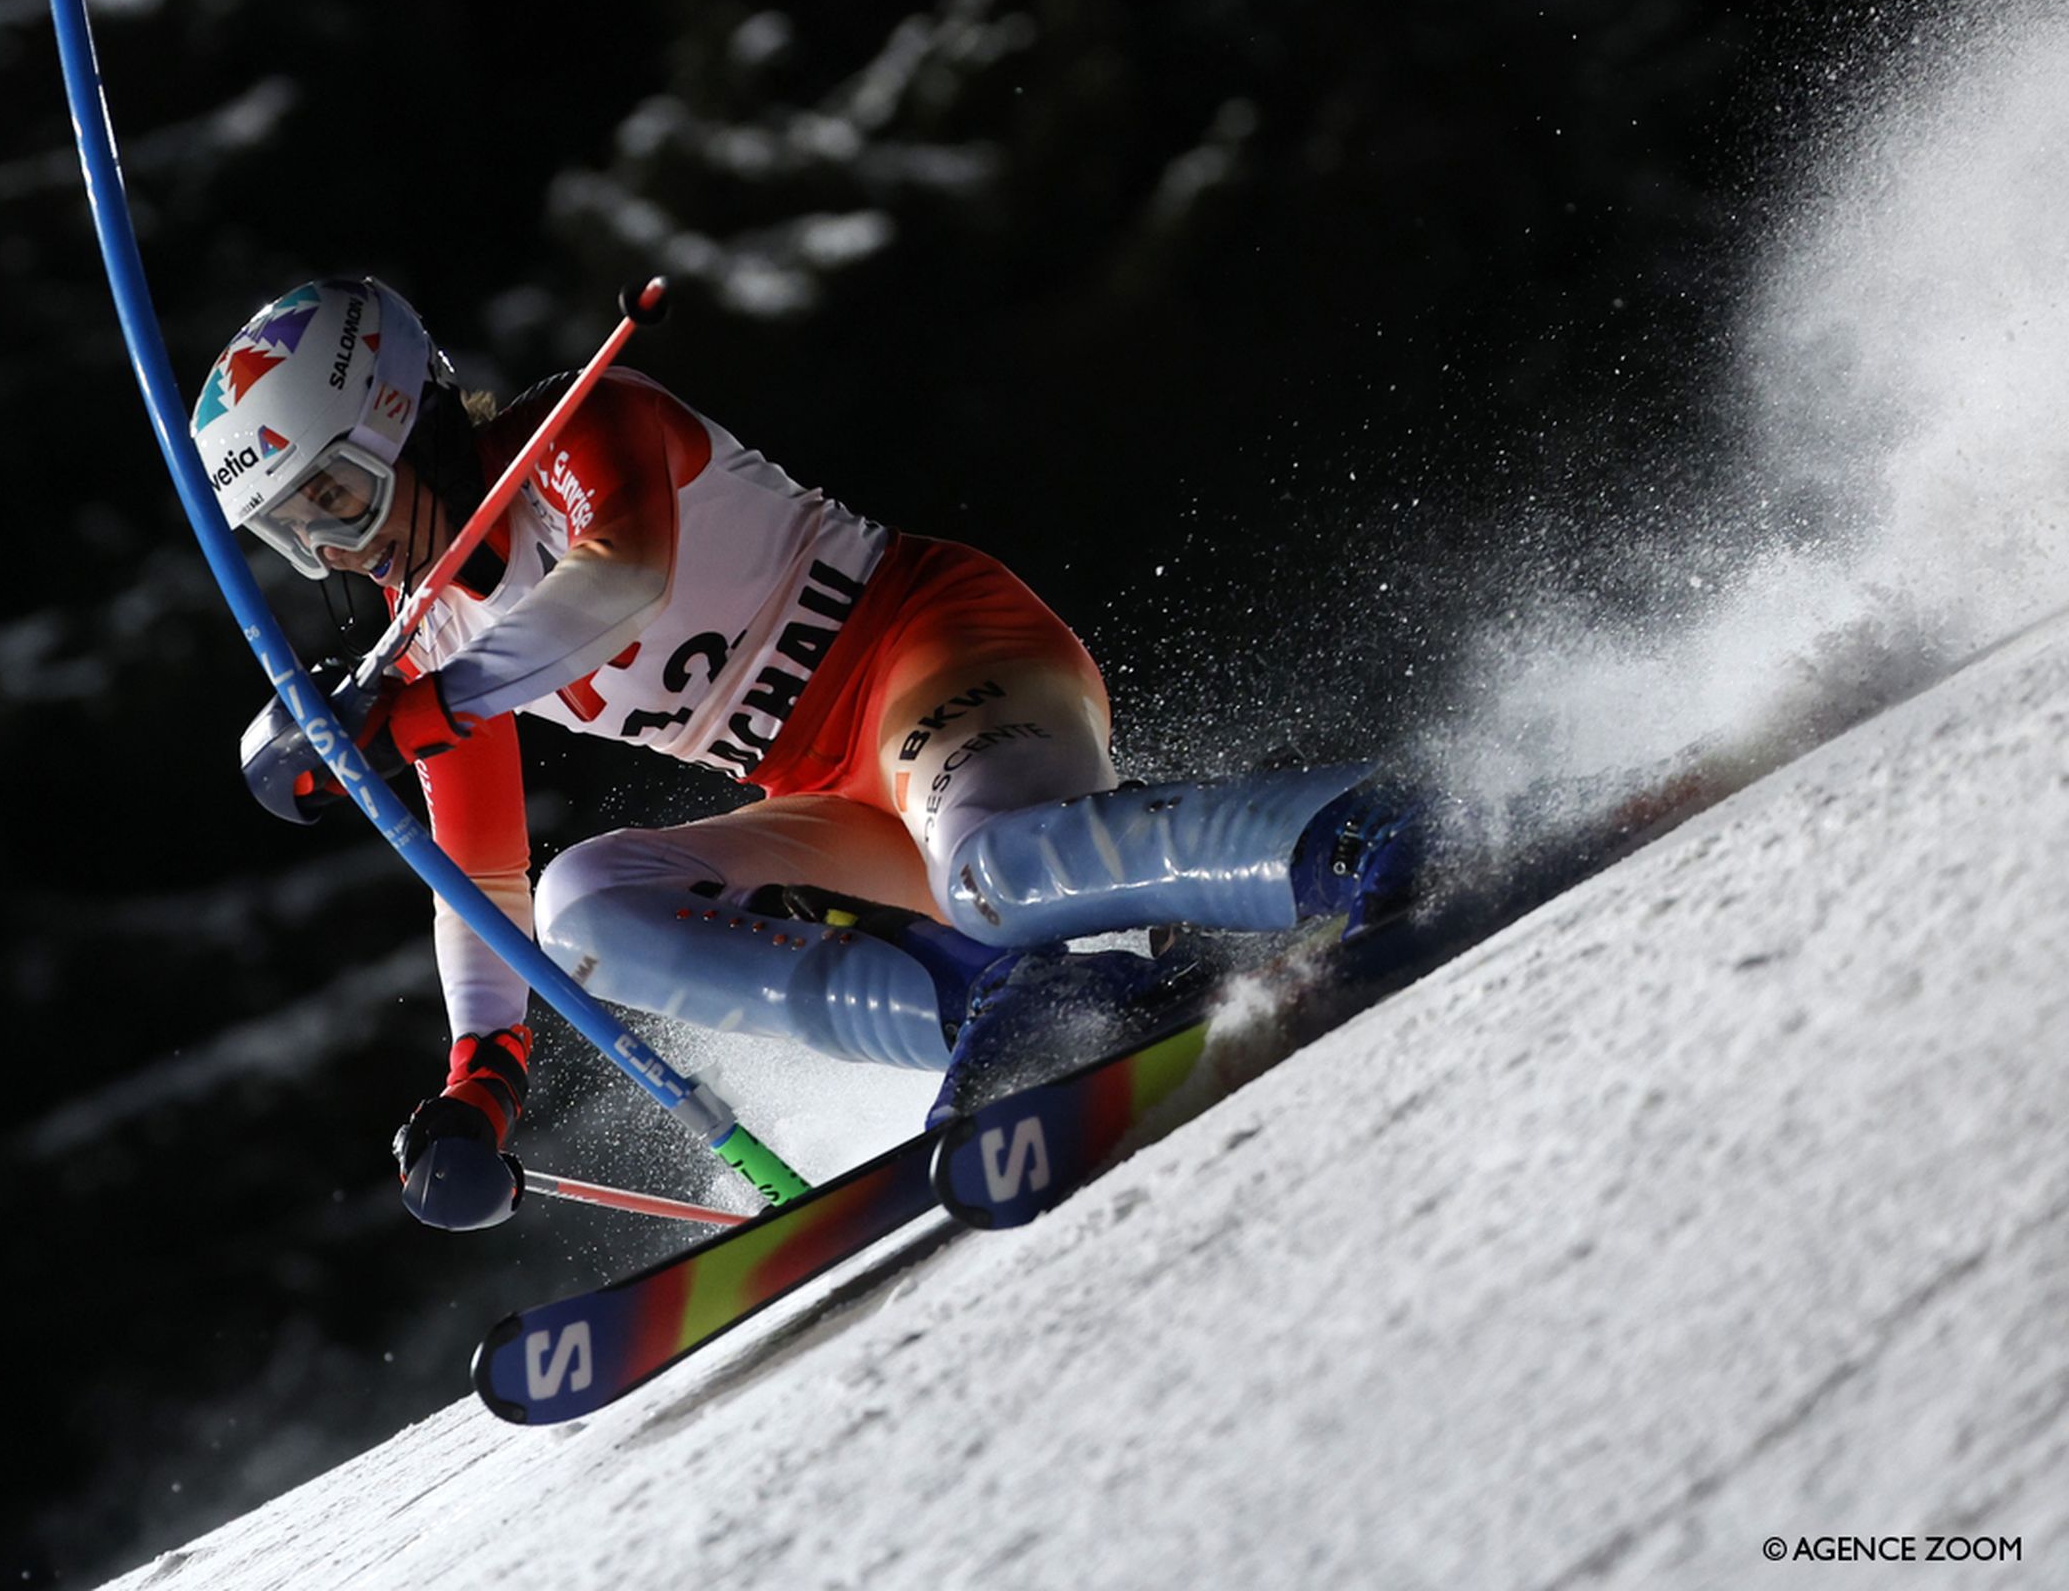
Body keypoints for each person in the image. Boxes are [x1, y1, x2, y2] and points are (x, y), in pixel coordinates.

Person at [202, 278, 1419, 1229]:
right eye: (299, 537)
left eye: (343, 501)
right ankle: (1039, 1019)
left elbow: (622, 577)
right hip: (836, 794)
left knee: (986, 870)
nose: (342, 555)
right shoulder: (432, 652)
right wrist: (483, 1080)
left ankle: (1357, 834)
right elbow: (485, 885)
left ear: (407, 420)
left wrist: (421, 710)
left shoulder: (583, 431)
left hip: (928, 650)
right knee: (587, 903)